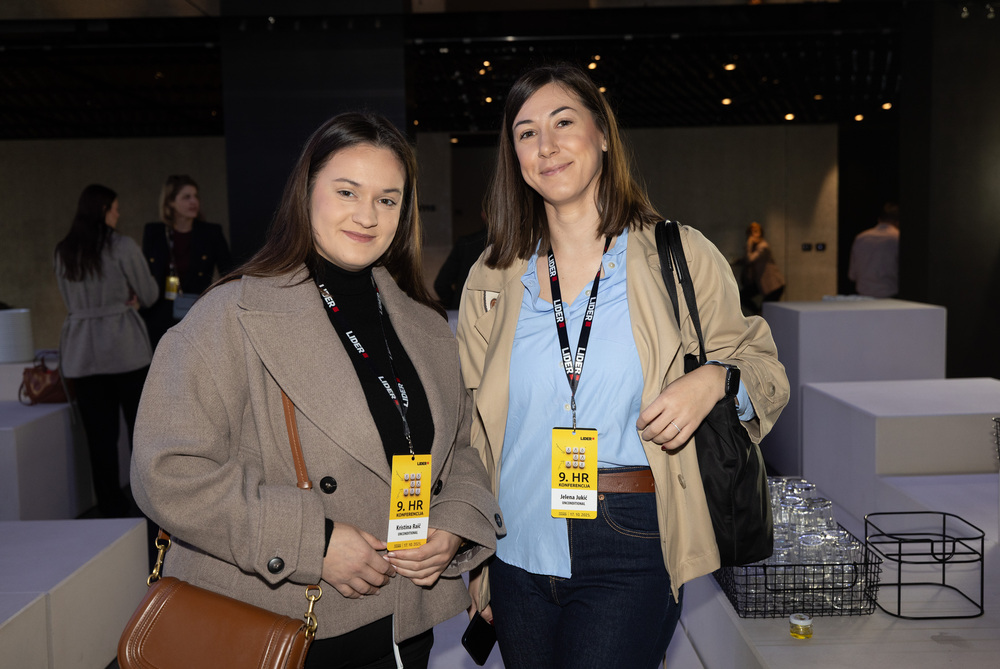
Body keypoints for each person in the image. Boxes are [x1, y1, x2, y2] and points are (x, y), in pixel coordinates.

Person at [130, 112, 504, 669]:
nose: (367, 215)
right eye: (347, 191)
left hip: (403, 623)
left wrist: (453, 523)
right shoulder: (231, 316)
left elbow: (462, 447)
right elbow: (166, 471)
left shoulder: (425, 326)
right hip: (279, 627)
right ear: (306, 194)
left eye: (387, 199)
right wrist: (314, 542)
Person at [456, 64, 789, 669]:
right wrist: (479, 559)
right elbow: (472, 426)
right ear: (514, 156)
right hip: (516, 542)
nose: (546, 145)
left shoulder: (678, 254)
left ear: (603, 135)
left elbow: (764, 368)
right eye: (526, 133)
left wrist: (714, 380)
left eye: (563, 122)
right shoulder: (492, 275)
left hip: (631, 536)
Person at [54, 184, 159, 517]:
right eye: (115, 208)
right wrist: (131, 297)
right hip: (124, 349)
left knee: (99, 441)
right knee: (141, 434)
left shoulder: (64, 250)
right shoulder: (122, 246)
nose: (118, 214)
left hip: (82, 352)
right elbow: (150, 293)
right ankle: (151, 507)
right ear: (103, 210)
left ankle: (111, 512)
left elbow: (67, 298)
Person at [141, 174, 232, 349]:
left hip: (198, 313)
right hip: (160, 316)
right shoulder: (154, 233)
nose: (194, 201)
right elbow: (145, 273)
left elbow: (228, 272)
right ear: (170, 202)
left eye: (196, 196)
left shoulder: (211, 233)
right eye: (186, 197)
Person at [848, 202, 900, 298]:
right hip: (890, 295)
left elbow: (852, 275)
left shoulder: (861, 237)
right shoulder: (897, 237)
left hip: (863, 296)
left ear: (879, 219)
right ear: (898, 222)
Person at [737, 221, 785, 315]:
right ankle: (758, 313)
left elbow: (750, 259)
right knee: (742, 296)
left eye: (756, 231)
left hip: (773, 285)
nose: (753, 235)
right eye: (751, 232)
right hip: (761, 283)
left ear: (761, 233)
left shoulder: (763, 246)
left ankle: (759, 314)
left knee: (766, 312)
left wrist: (749, 244)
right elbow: (747, 260)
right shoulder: (755, 248)